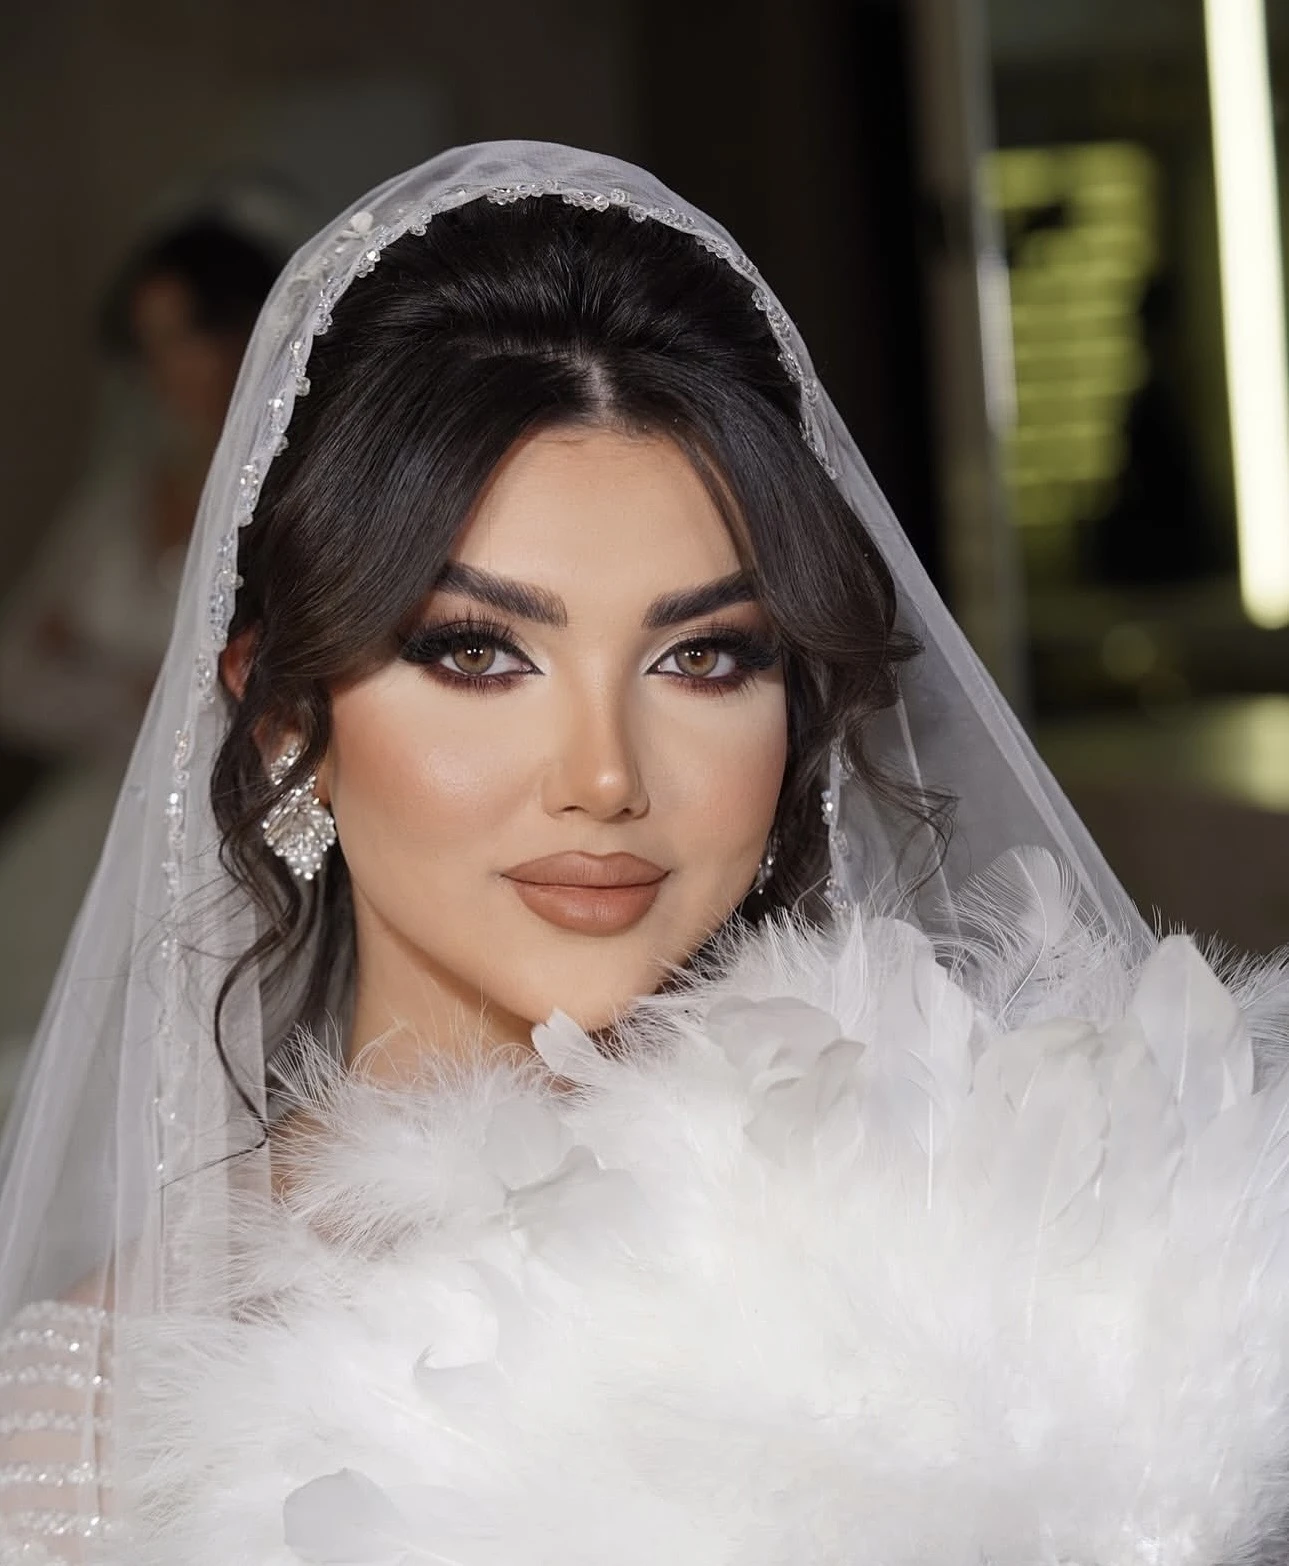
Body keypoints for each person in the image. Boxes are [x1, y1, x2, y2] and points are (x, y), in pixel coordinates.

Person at [0, 143, 1287, 1566]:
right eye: (477, 651)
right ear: (287, 717)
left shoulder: (1034, 1233)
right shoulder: (89, 1428)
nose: (606, 776)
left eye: (702, 655)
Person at [0, 217, 281, 1071]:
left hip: (239, 820)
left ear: (245, 328)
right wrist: (129, 698)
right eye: (152, 345)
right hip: (98, 816)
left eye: (189, 335)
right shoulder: (118, 498)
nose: (171, 369)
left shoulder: (289, 494)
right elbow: (17, 667)